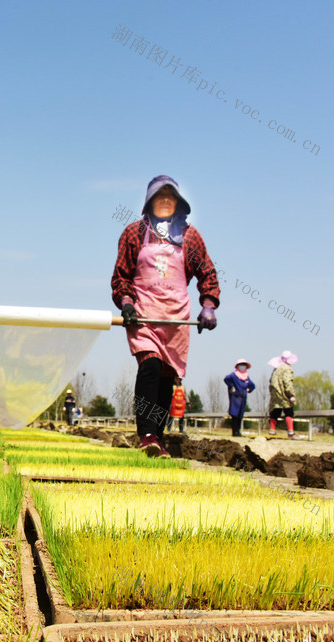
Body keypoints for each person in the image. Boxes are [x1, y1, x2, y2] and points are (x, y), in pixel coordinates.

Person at [112, 175, 220, 457]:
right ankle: (146, 434)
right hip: (144, 314)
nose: (164, 202)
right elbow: (121, 276)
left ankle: (158, 437)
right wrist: (125, 302)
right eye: (159, 197)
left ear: (178, 204)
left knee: (165, 377)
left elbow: (207, 272)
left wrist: (208, 304)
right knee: (149, 367)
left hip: (175, 318)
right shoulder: (133, 234)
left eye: (169, 198)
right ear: (149, 203)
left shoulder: (190, 237)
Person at [268, 350, 300, 439]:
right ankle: (290, 432)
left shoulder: (276, 368)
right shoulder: (287, 369)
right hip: (283, 393)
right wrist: (291, 394)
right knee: (288, 411)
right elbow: (287, 382)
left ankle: (272, 430)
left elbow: (271, 381)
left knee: (276, 410)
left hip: (275, 393)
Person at [224, 359, 256, 437]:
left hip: (243, 398)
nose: (242, 367)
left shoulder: (246, 377)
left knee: (240, 415)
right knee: (234, 415)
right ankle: (234, 432)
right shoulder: (234, 375)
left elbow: (252, 385)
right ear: (237, 366)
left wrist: (248, 390)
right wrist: (231, 386)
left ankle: (238, 431)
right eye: (241, 365)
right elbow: (226, 379)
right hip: (235, 397)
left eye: (244, 365)